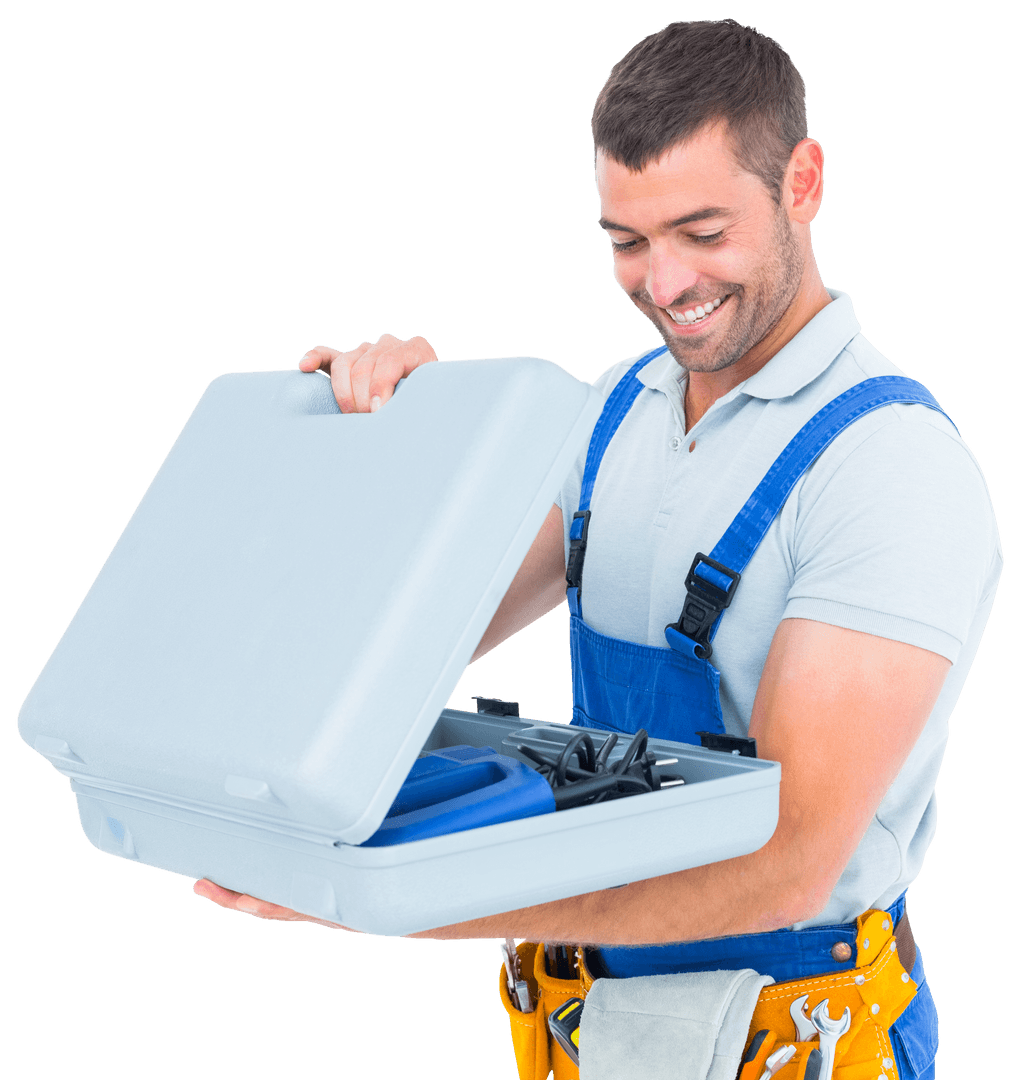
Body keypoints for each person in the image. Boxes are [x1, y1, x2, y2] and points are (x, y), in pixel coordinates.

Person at [194, 19, 1001, 1079]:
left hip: (791, 1032)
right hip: (586, 1016)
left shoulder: (888, 466)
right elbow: (396, 648)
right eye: (627, 241)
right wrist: (383, 454)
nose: (662, 283)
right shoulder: (612, 410)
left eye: (701, 232)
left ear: (800, 182)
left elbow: (788, 861)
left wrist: (389, 901)